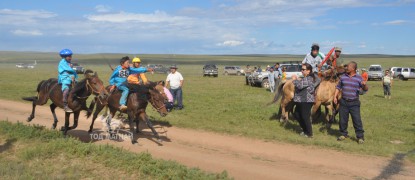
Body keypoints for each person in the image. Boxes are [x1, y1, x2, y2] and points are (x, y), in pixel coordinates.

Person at [334, 61, 369, 144]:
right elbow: (338, 87)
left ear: (353, 68)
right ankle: (343, 134)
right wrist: (335, 96)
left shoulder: (359, 78)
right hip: (343, 102)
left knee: (357, 120)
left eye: (348, 67)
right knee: (342, 120)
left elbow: (365, 89)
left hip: (354, 103)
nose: (346, 68)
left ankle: (360, 137)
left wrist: (364, 85)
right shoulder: (343, 77)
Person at [291, 63, 320, 138]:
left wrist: (294, 80)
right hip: (300, 100)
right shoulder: (305, 78)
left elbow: (300, 86)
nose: (302, 71)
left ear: (308, 71)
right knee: (297, 114)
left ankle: (309, 133)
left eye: (303, 69)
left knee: (305, 117)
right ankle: (305, 130)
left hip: (306, 101)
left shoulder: (309, 78)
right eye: (301, 69)